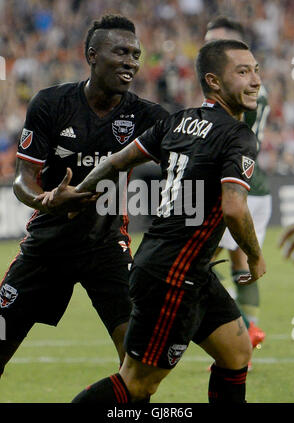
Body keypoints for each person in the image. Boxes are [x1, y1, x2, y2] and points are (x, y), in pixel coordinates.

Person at [39, 39, 266, 403]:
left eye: (256, 70)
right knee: (137, 384)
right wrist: (255, 256)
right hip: (173, 276)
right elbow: (235, 208)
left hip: (187, 267)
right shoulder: (237, 135)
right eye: (243, 72)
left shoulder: (179, 121)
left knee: (237, 353)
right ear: (214, 82)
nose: (256, 80)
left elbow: (114, 161)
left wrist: (76, 194)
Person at [0, 14, 168, 380]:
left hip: (107, 248)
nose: (130, 61)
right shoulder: (51, 104)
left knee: (138, 367)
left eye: (135, 54)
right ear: (92, 55)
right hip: (47, 245)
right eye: (120, 51)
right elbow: (22, 181)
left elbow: (185, 169)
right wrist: (48, 200)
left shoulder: (149, 116)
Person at [204, 16, 271, 351]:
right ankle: (250, 332)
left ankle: (240, 328)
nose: (208, 45)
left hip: (237, 183)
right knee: (238, 261)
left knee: (199, 261)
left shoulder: (240, 87)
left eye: (216, 40)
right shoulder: (253, 83)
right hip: (252, 182)